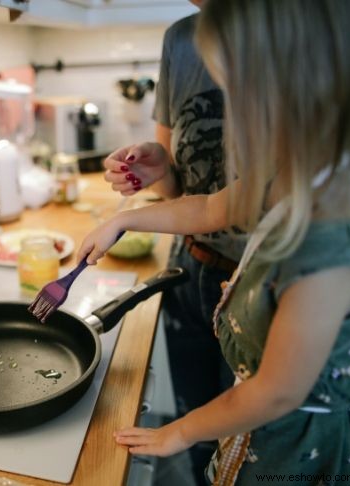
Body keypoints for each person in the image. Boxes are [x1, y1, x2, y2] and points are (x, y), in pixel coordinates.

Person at [80, 0, 350, 483]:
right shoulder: (299, 171)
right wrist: (124, 220)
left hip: (298, 452)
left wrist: (181, 432)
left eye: (238, 90)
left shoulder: (331, 240)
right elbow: (212, 207)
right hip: (256, 431)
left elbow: (278, 391)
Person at [104, 1, 239, 481]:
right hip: (192, 267)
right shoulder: (181, 39)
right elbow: (186, 192)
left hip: (265, 284)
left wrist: (128, 222)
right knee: (199, 433)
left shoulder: (310, 30)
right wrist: (155, 168)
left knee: (248, 447)